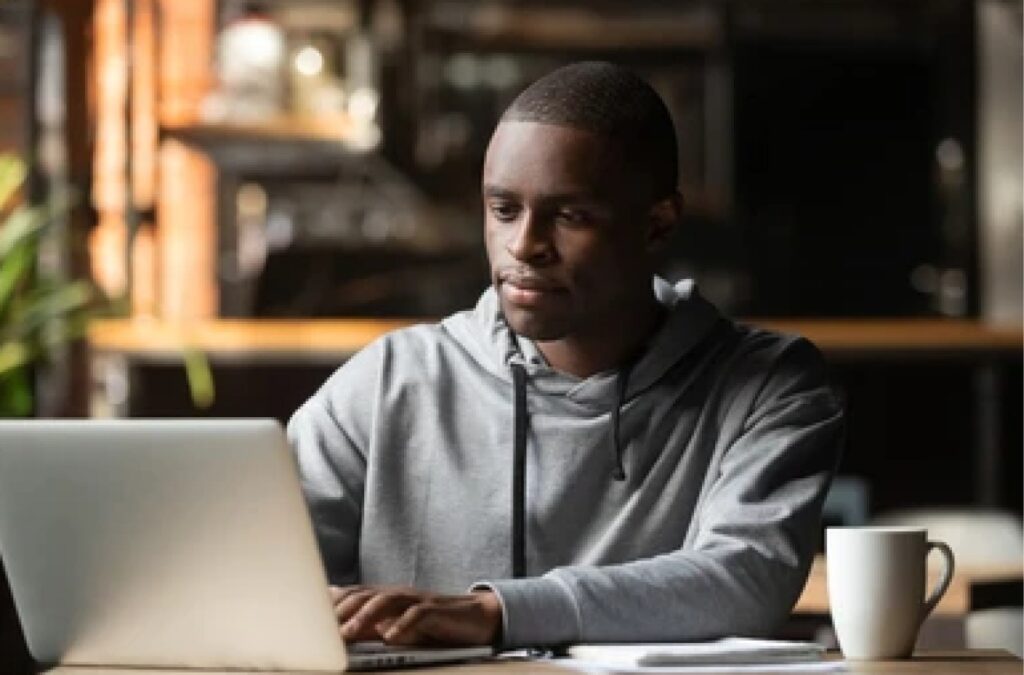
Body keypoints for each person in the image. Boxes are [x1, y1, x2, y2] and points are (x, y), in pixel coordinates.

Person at [288, 61, 844, 649]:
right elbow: (257, 570)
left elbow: (745, 578)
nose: (524, 245)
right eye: (504, 211)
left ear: (657, 225)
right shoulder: (388, 380)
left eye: (570, 216)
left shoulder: (770, 385)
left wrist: (495, 613)